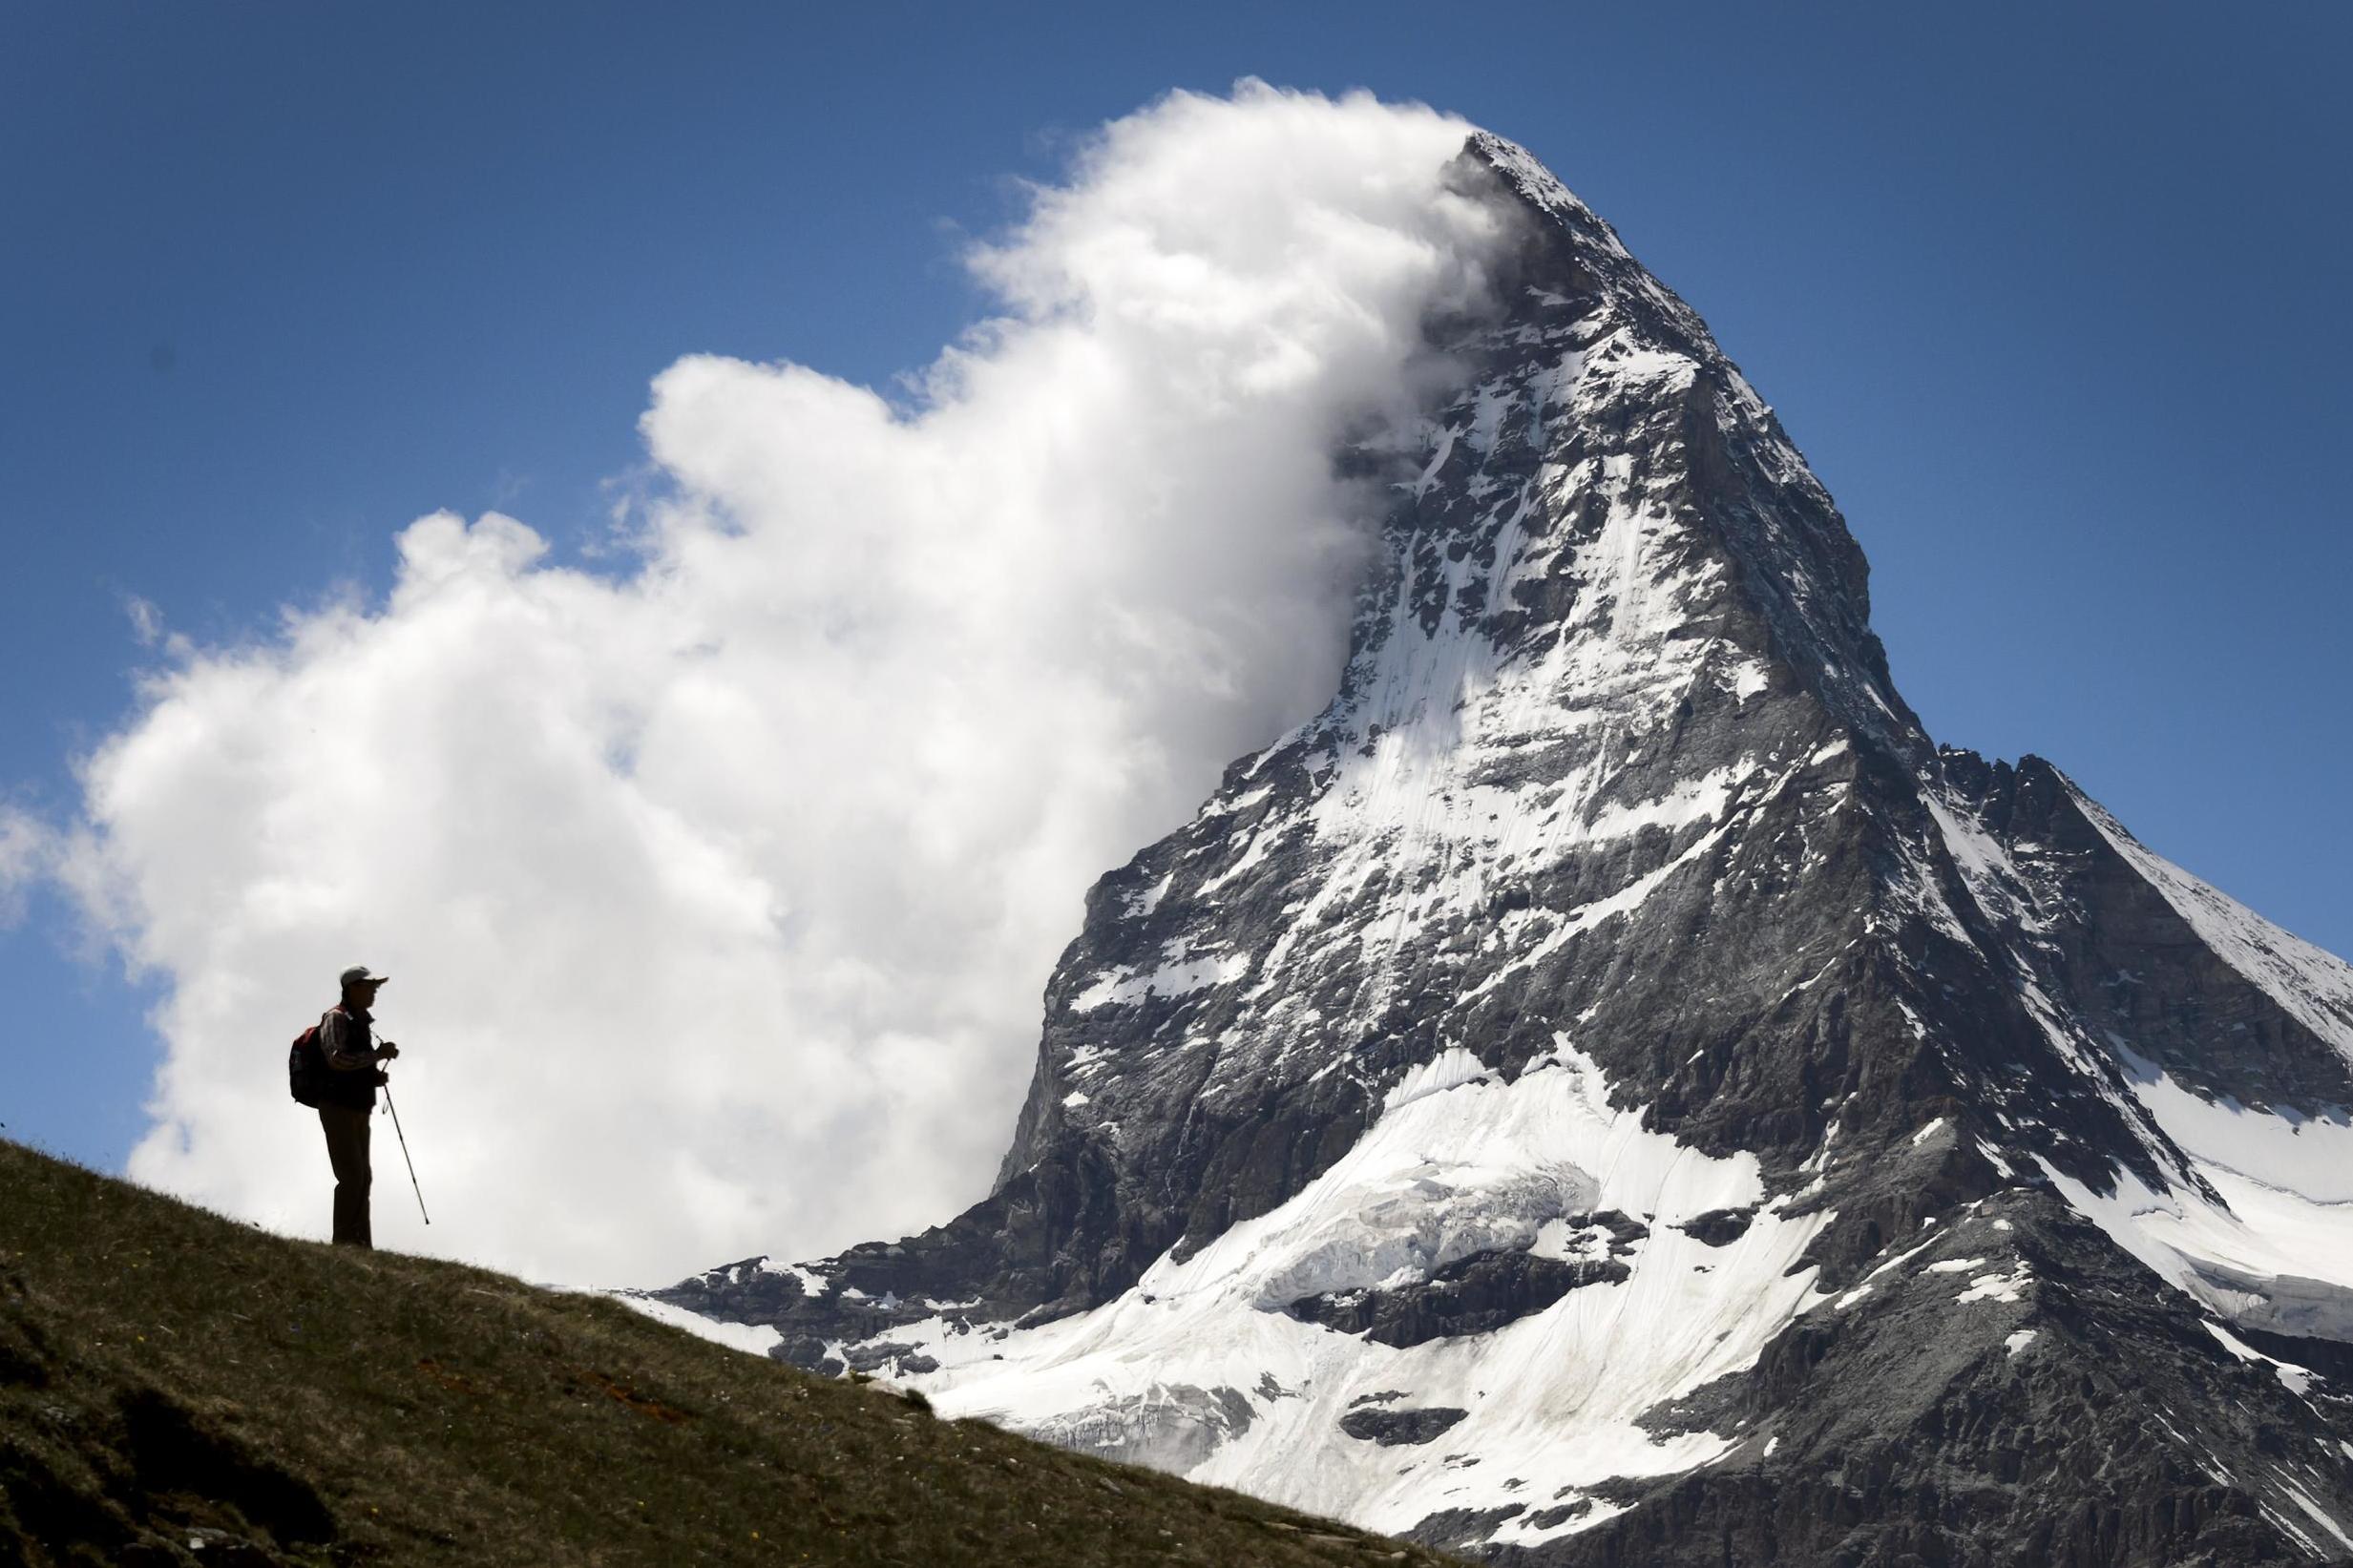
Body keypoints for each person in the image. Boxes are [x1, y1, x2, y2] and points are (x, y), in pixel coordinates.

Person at [316, 964, 400, 1247]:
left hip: (358, 1108)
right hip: (337, 1106)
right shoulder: (336, 1018)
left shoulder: (359, 1022)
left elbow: (352, 1064)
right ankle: (344, 1243)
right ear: (353, 988)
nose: (375, 991)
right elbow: (336, 1059)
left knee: (363, 1177)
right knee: (352, 1176)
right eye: (370, 986)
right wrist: (376, 1055)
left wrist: (374, 1076)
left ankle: (360, 1244)